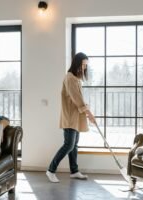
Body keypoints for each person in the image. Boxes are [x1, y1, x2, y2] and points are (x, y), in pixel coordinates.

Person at [46, 52, 96, 183]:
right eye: (83, 64)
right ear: (77, 63)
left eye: (86, 65)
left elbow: (79, 100)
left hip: (76, 117)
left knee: (74, 145)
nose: (84, 68)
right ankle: (51, 170)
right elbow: (77, 99)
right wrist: (89, 114)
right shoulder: (70, 78)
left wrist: (88, 112)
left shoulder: (76, 79)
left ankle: (74, 171)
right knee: (68, 145)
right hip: (69, 117)